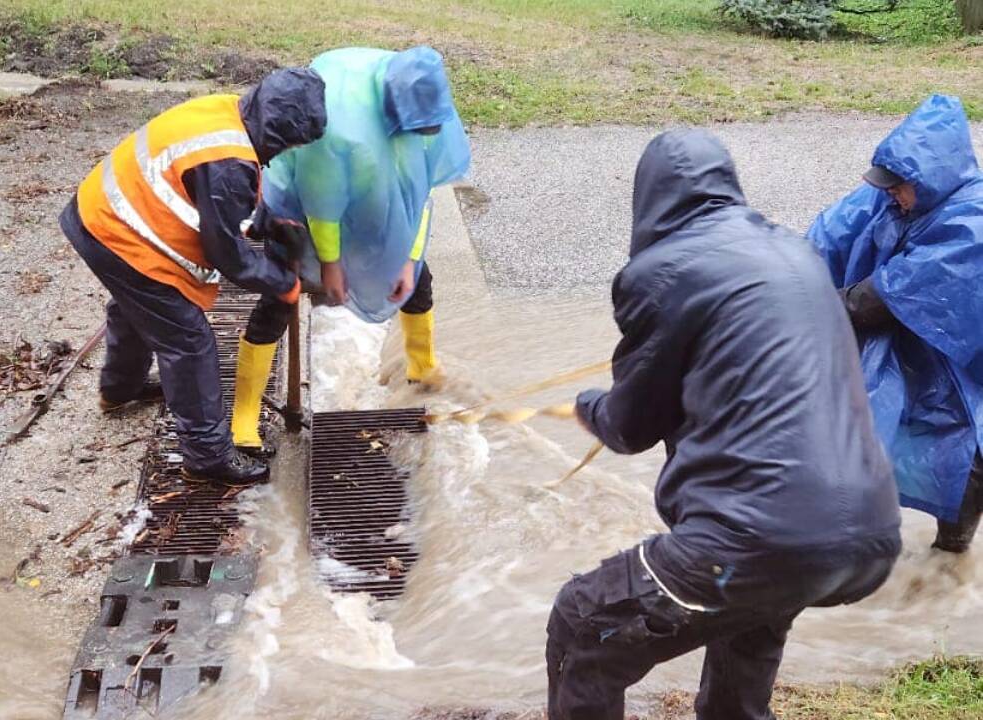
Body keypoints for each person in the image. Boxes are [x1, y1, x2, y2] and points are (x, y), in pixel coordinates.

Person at [549, 129, 902, 720]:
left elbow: (630, 425)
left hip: (756, 536)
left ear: (651, 197)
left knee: (583, 622)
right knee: (749, 621)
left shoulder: (662, 272)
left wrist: (589, 407)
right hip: (866, 534)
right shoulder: (797, 255)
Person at [59, 68, 326, 485]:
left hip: (97, 215)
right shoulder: (228, 161)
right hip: (119, 233)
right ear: (280, 132)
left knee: (135, 310)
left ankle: (119, 389)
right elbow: (229, 256)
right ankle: (207, 457)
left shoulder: (227, 113)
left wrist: (267, 223)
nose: (289, 150)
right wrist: (282, 283)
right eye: (292, 143)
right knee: (188, 339)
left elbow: (218, 200)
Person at [229, 45, 470, 456]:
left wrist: (409, 261)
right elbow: (322, 202)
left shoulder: (426, 109)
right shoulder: (341, 122)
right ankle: (244, 417)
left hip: (368, 189)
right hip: (301, 198)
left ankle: (423, 368)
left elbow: (421, 195)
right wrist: (331, 264)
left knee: (420, 281)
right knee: (281, 290)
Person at [808, 94, 983, 553]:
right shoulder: (892, 197)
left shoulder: (972, 220)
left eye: (899, 186)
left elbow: (883, 297)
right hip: (917, 351)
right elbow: (827, 236)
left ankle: (949, 561)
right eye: (887, 185)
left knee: (965, 455)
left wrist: (800, 305)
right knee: (863, 429)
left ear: (932, 178)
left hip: (964, 362)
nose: (890, 193)